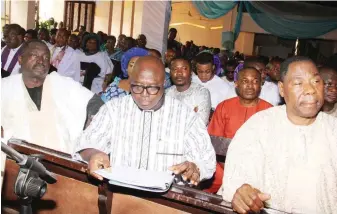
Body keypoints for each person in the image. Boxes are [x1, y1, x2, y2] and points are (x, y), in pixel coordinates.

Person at [220, 56, 337, 214]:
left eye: (316, 81)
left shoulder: (332, 130)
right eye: (298, 83)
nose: (310, 89)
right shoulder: (259, 127)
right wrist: (243, 193)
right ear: (282, 89)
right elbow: (238, 182)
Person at [74, 56, 216, 185]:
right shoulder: (114, 109)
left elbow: (206, 161)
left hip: (167, 201)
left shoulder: (185, 117)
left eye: (153, 88)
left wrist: (195, 168)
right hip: (120, 194)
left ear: (164, 83)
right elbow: (86, 142)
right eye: (137, 87)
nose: (144, 94)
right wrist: (94, 154)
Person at [1, 40, 104, 154]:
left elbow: (94, 102)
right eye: (35, 55)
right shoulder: (5, 86)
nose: (41, 61)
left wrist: (92, 126)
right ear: (20, 59)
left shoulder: (61, 83)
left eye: (46, 58)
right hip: (15, 158)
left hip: (59, 159)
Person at [204, 68, 272, 194]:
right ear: (236, 83)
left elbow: (270, 151)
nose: (250, 86)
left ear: (261, 84)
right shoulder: (223, 107)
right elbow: (215, 144)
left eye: (255, 81)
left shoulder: (269, 111)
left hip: (256, 169)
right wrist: (232, 171)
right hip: (223, 165)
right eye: (245, 81)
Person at [166, 57, 211, 125]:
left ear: (191, 72)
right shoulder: (166, 93)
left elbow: (200, 123)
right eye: (175, 69)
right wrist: (190, 115)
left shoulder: (201, 92)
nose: (179, 73)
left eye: (184, 69)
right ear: (170, 73)